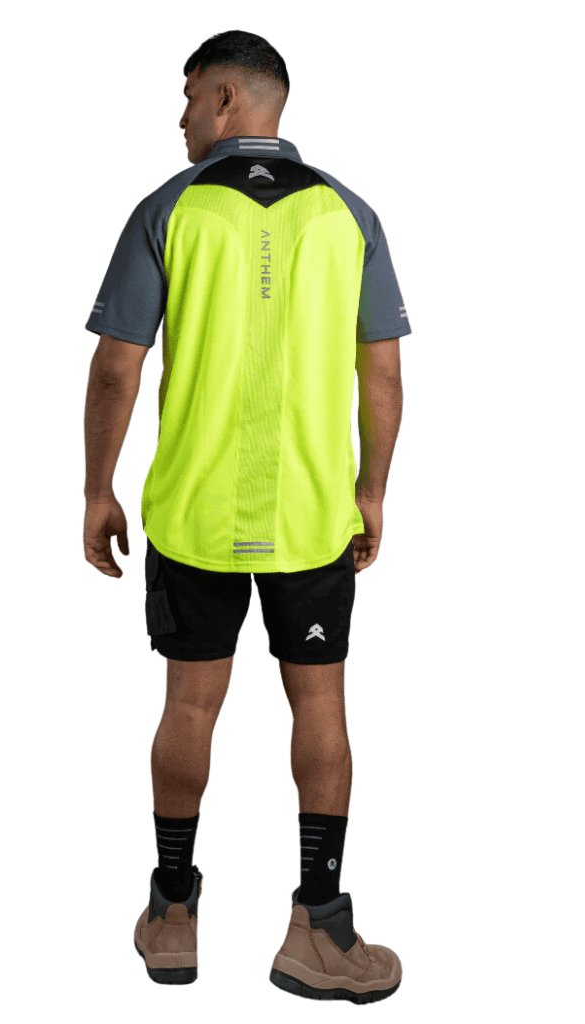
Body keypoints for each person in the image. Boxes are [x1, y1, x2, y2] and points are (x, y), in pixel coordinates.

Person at [83, 30, 408, 1003]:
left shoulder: (169, 210)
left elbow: (117, 367)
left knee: (189, 706)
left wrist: (97, 488)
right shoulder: (349, 215)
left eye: (189, 96)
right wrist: (370, 491)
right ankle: (319, 927)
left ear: (227, 97)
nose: (180, 116)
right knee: (323, 708)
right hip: (311, 516)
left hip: (195, 515)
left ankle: (172, 911)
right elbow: (382, 376)